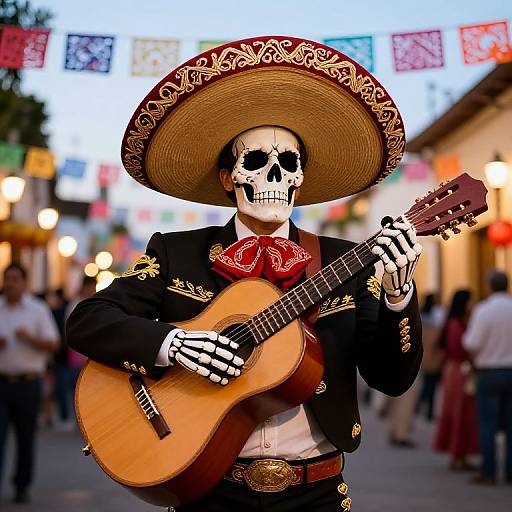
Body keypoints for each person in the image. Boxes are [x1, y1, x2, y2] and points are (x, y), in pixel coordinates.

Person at [67, 36, 423, 511]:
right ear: (228, 178)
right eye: (256, 162)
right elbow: (87, 319)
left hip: (315, 492)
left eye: (287, 165)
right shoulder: (177, 252)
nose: (273, 177)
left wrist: (400, 295)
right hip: (209, 488)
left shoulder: (345, 261)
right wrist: (174, 346)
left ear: (299, 178)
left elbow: (393, 379)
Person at [0, 263, 59, 503]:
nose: (11, 283)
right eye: (7, 278)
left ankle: (21, 486)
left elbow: (53, 344)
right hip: (1, 383)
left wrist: (30, 338)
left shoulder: (37, 310)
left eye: (16, 279)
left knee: (25, 438)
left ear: (25, 283)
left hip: (28, 384)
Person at [463, 270, 512, 485]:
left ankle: (489, 471)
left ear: (490, 286)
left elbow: (471, 343)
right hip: (510, 371)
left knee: (487, 423)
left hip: (489, 372)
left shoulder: (483, 310)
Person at [434, 289, 478, 471]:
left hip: (456, 370)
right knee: (459, 413)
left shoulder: (456, 322)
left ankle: (462, 454)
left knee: (463, 414)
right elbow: (457, 348)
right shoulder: (456, 324)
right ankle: (457, 455)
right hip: (458, 372)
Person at [417, 293, 445, 421]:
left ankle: (422, 407)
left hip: (425, 353)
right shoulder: (435, 316)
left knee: (428, 383)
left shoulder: (421, 315)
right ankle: (425, 408)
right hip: (432, 354)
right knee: (430, 384)